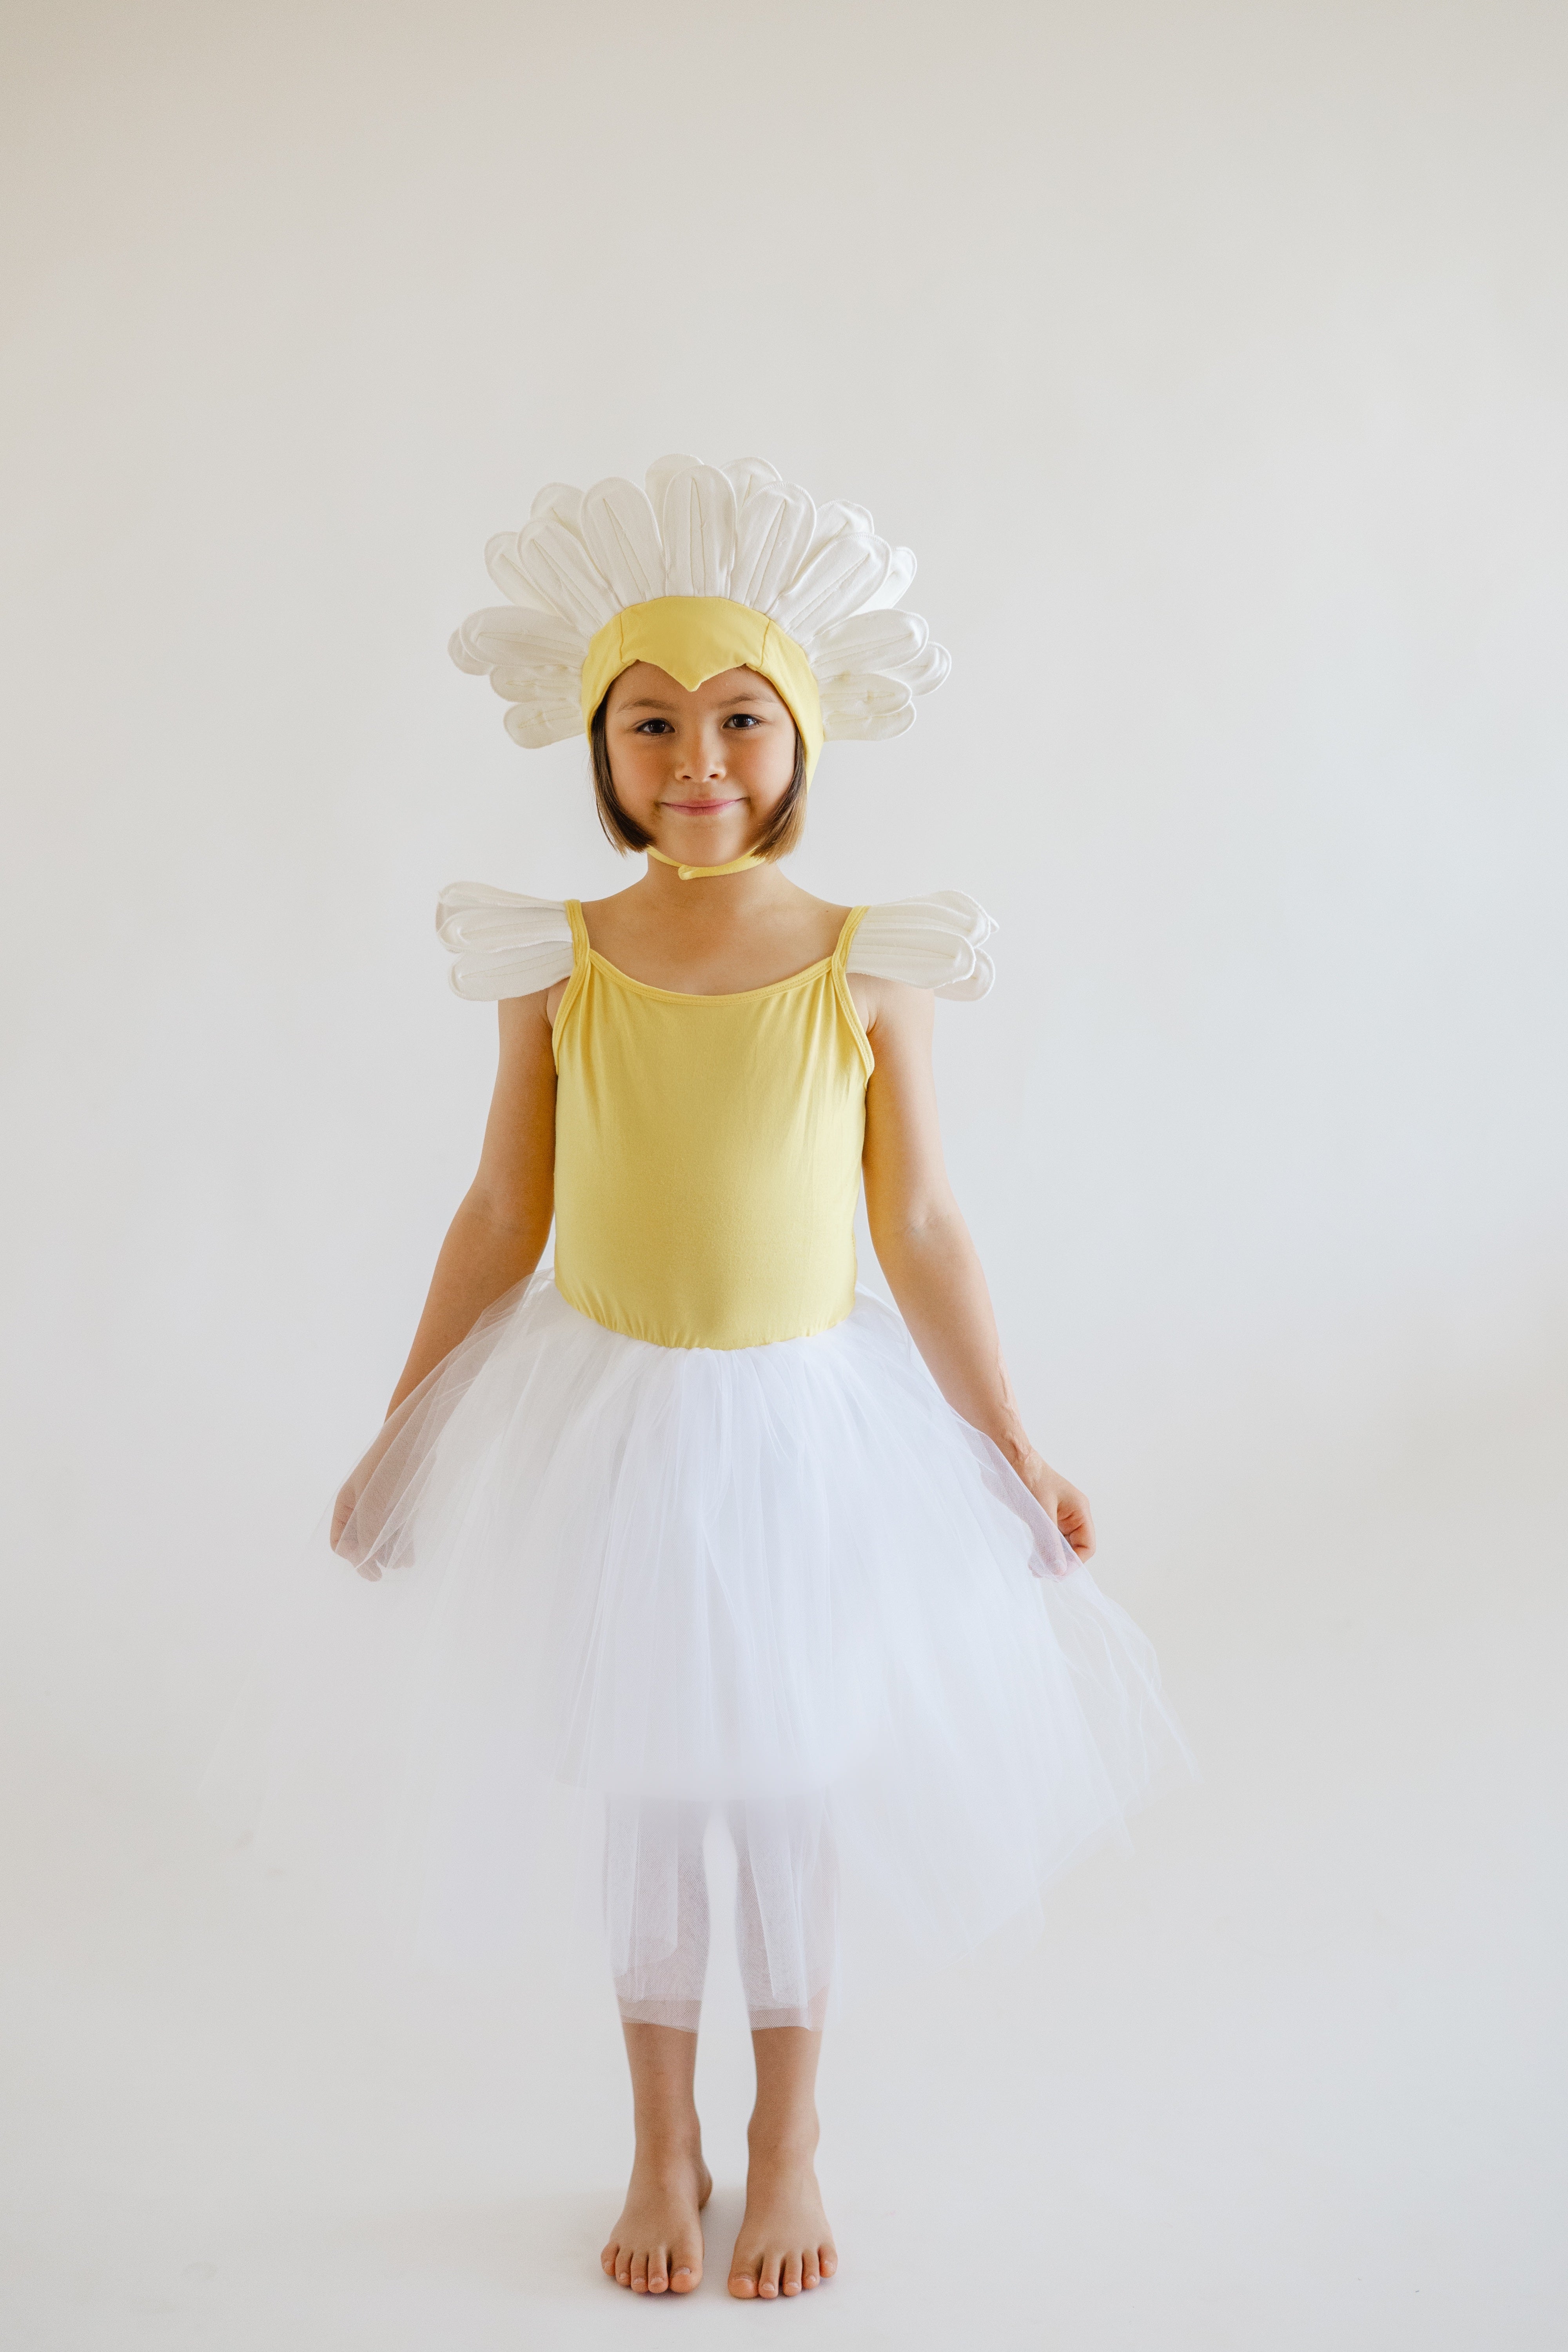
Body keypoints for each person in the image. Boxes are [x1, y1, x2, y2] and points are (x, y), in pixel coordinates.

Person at [325, 456, 1190, 2300]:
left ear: (799, 736)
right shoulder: (556, 963)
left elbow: (921, 1225)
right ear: (597, 746)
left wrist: (1012, 1447)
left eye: (739, 717)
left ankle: (788, 2139)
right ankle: (662, 2142)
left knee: (789, 1791)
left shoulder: (866, 967)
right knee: (649, 1792)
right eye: (650, 721)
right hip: (611, 1434)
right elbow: (503, 1209)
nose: (696, 757)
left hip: (803, 1438)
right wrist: (403, 1427)